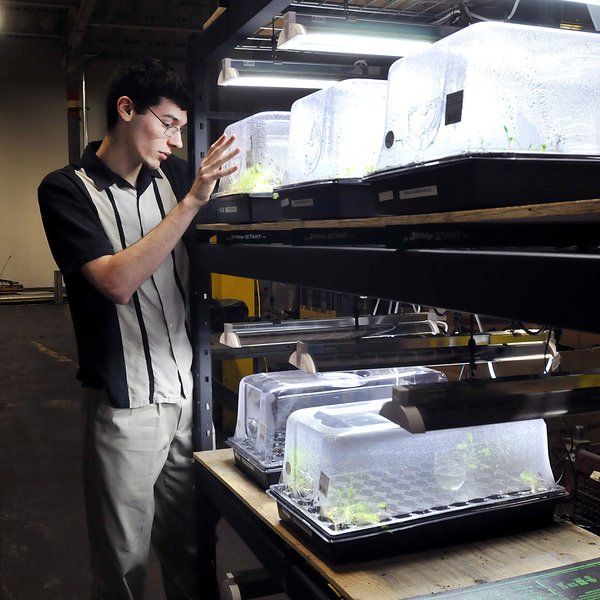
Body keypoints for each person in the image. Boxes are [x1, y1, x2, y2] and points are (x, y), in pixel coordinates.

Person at [38, 57, 238, 599]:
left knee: (193, 544)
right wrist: (193, 201)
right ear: (126, 109)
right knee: (123, 563)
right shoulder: (66, 190)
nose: (176, 140)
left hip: (188, 394)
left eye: (180, 127)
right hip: (125, 406)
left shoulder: (171, 177)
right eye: (168, 123)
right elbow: (114, 281)